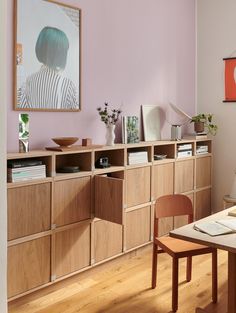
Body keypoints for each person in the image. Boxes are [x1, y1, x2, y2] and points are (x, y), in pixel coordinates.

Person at [17, 26, 79, 110]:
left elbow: (22, 118)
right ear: (62, 54)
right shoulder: (68, 85)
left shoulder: (27, 83)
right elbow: (74, 118)